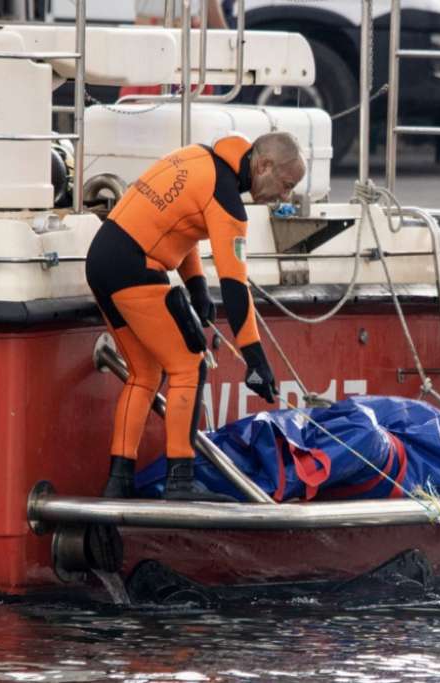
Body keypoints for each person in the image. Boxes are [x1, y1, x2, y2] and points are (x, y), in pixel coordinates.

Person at [86, 131, 306, 501]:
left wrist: (196, 286)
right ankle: (181, 481)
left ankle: (118, 480)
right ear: (264, 165)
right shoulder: (227, 202)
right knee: (189, 366)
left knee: (144, 374)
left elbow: (178, 223)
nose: (285, 197)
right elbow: (237, 287)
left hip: (102, 259)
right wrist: (255, 359)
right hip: (134, 267)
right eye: (286, 185)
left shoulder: (197, 158)